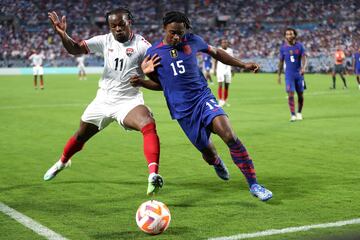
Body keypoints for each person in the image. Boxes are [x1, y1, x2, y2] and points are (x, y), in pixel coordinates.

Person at [131, 11, 272, 201]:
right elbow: (163, 86)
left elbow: (217, 53)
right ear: (164, 28)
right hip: (182, 111)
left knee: (229, 135)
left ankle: (254, 184)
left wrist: (242, 64)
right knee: (207, 151)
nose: (177, 36)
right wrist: (144, 78)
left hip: (202, 98)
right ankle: (215, 161)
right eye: (173, 32)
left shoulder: (193, 40)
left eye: (180, 32)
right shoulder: (153, 53)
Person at [44, 8, 163, 195]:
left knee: (148, 123)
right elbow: (75, 49)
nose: (117, 29)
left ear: (129, 22)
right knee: (81, 135)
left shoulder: (144, 46)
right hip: (102, 101)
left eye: (121, 24)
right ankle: (62, 162)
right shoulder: (104, 40)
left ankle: (153, 175)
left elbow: (160, 83)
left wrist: (144, 80)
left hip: (128, 101)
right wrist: (63, 34)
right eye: (113, 26)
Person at [278, 28, 307, 122]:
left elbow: (304, 58)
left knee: (300, 94)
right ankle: (293, 114)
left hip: (299, 74)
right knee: (290, 94)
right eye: (287, 34)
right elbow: (281, 62)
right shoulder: (283, 48)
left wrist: (303, 68)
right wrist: (278, 75)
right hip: (289, 74)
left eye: (290, 34)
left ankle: (299, 113)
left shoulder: (300, 46)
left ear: (295, 35)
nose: (289, 36)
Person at [214, 39, 233, 107]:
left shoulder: (230, 50)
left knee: (227, 86)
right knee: (220, 84)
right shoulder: (218, 50)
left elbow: (232, 60)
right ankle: (220, 100)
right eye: (223, 42)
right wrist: (214, 69)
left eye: (226, 42)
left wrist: (232, 69)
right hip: (220, 69)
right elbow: (215, 60)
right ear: (221, 44)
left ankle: (225, 100)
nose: (225, 43)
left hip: (228, 69)